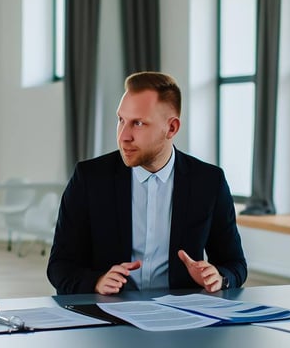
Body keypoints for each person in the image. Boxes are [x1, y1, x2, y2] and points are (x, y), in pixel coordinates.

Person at [47, 71, 248, 295]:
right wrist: (97, 281)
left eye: (138, 123)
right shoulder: (89, 178)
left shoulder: (209, 182)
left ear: (171, 128)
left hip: (182, 318)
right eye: (121, 120)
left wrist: (218, 277)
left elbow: (235, 265)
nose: (124, 135)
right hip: (109, 317)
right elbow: (59, 266)